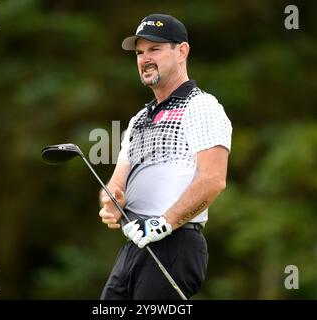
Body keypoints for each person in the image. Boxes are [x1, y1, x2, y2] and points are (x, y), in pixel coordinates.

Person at [98, 13, 232, 300]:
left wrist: (164, 222)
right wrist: (111, 200)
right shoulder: (139, 119)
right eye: (139, 52)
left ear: (181, 51)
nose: (145, 58)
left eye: (154, 49)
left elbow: (213, 179)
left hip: (176, 242)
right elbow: (116, 184)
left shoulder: (202, 107)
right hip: (136, 244)